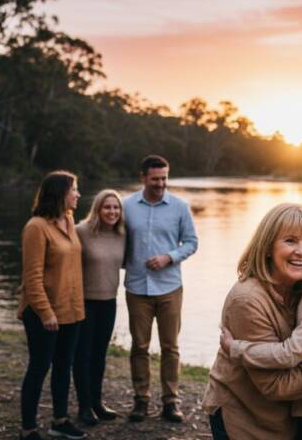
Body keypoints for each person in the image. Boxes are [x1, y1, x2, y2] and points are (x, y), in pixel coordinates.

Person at [203, 203, 302, 440]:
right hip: (247, 417)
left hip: (286, 417)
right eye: (290, 241)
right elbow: (274, 385)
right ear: (268, 247)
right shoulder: (247, 300)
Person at [123, 155, 198, 422]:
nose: (161, 184)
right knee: (139, 346)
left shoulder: (180, 207)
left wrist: (169, 257)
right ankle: (141, 400)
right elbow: (114, 239)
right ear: (143, 177)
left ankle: (171, 401)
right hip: (137, 288)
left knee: (171, 347)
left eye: (164, 178)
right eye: (155, 179)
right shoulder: (126, 206)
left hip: (169, 288)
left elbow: (191, 243)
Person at [17, 171, 87, 440]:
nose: (78, 194)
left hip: (72, 311)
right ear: (60, 193)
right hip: (44, 314)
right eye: (74, 190)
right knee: (38, 368)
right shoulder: (36, 227)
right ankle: (28, 429)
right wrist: (46, 312)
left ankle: (60, 420)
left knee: (63, 366)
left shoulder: (69, 220)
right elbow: (31, 277)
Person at [72, 189, 126, 426]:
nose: (112, 211)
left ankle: (97, 402)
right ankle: (84, 407)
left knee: (99, 355)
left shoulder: (122, 234)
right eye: (107, 207)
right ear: (97, 208)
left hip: (109, 301)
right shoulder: (81, 231)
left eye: (116, 207)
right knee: (82, 356)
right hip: (85, 302)